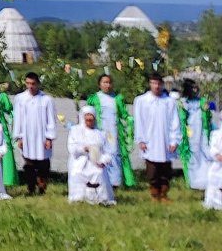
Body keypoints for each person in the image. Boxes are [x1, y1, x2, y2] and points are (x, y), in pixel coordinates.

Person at [134, 73, 181, 203]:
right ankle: (155, 194)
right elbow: (139, 121)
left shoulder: (169, 102)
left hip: (165, 140)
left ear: (162, 85)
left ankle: (164, 194)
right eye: (154, 83)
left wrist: (174, 140)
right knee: (152, 169)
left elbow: (175, 122)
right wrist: (141, 139)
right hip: (150, 140)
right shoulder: (142, 101)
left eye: (159, 83)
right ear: (150, 84)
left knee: (165, 170)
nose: (156, 86)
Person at [87, 74, 135, 188]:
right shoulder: (94, 98)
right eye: (104, 82)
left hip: (113, 132)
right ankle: (98, 180)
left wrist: (131, 120)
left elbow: (124, 114)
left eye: (109, 82)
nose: (107, 85)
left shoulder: (117, 98)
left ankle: (114, 183)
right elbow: (88, 114)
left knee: (114, 155)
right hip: (99, 131)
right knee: (98, 154)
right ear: (99, 84)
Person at [13, 72, 57, 196]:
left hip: (42, 136)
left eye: (33, 84)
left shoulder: (46, 99)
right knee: (29, 162)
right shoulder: (20, 98)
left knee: (43, 163)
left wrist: (49, 137)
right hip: (27, 136)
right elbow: (18, 118)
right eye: (28, 83)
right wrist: (19, 137)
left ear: (38, 84)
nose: (30, 86)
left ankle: (42, 186)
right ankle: (31, 187)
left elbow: (51, 119)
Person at [67, 106, 116, 206]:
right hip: (80, 162)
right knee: (77, 173)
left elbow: (108, 151)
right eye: (87, 117)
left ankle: (100, 199)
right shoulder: (75, 131)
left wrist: (103, 161)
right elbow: (72, 148)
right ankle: (79, 198)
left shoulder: (101, 134)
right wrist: (83, 149)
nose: (89, 120)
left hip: (96, 163)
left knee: (99, 173)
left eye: (91, 117)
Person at [178, 79, 213, 191]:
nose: (195, 90)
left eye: (196, 87)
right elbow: (181, 119)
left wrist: (207, 110)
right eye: (192, 88)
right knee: (193, 154)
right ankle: (194, 181)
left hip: (202, 131)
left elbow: (208, 118)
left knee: (205, 152)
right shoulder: (183, 102)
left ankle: (206, 180)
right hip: (190, 132)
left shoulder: (202, 101)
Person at [204, 120, 222, 211]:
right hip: (218, 165)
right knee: (214, 182)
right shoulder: (216, 134)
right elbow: (213, 148)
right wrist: (217, 155)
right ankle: (213, 202)